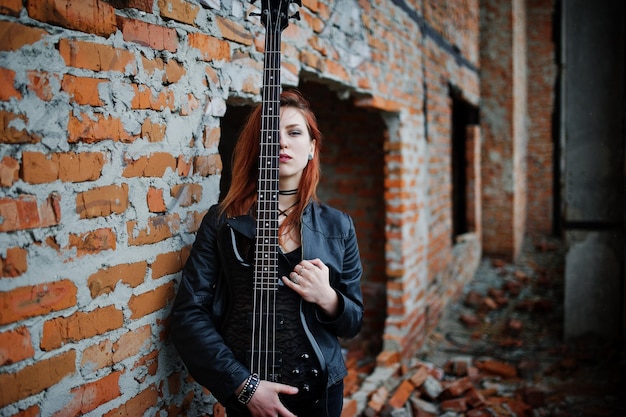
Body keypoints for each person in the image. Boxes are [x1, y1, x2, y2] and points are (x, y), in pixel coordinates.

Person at [170, 89, 364, 417]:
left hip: (322, 397)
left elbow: (353, 321)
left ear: (312, 147)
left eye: (294, 132)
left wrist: (328, 297)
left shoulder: (338, 226)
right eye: (270, 134)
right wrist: (244, 386)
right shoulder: (222, 222)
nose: (282, 142)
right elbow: (188, 315)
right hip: (248, 397)